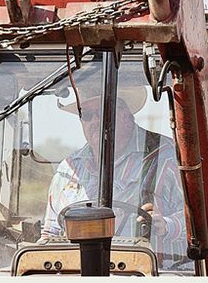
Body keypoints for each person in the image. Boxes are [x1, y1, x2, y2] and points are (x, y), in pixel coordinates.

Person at [41, 87, 187, 265]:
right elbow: (50, 233)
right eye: (86, 115)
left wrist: (167, 225)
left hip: (152, 273)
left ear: (126, 114)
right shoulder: (68, 169)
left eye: (103, 112)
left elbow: (202, 224)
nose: (95, 121)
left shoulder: (167, 156)